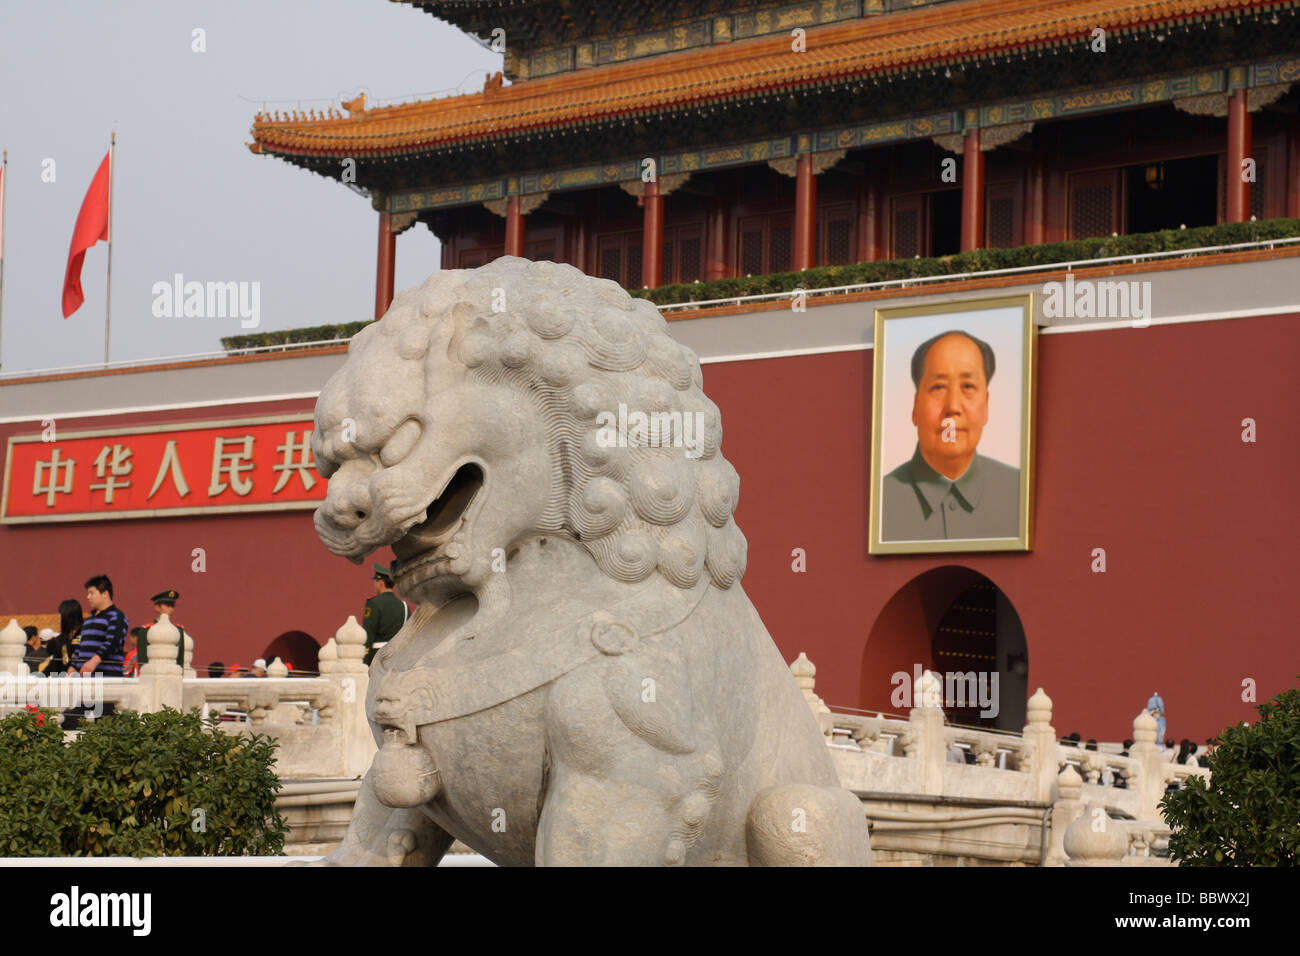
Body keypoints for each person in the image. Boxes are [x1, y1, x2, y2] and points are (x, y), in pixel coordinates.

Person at [880, 330, 1021, 541]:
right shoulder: (879, 502)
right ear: (915, 407)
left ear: (986, 405)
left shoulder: (1020, 492)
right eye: (938, 387)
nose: (953, 407)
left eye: (968, 386)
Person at [70, 574, 128, 677]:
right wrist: (72, 667)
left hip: (106, 678)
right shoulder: (88, 619)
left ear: (105, 594)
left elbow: (112, 643)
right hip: (85, 678)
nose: (88, 597)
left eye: (91, 593)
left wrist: (94, 661)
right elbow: (80, 645)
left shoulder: (117, 616)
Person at [362, 564, 409, 666]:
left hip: (377, 657)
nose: (374, 585)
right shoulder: (404, 606)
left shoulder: (374, 604)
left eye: (375, 582)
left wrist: (365, 661)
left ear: (380, 583)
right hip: (398, 657)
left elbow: (368, 634)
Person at [136, 589, 187, 668]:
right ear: (157, 607)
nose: (170, 609)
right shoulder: (146, 630)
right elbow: (143, 659)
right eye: (167, 606)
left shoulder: (178, 630)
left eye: (172, 606)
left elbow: (180, 659)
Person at [41, 600, 83, 676]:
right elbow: (54, 664)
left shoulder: (84, 635)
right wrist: (39, 677)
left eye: (61, 615)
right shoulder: (60, 640)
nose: (59, 618)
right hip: (63, 682)